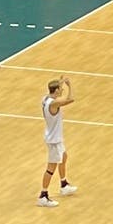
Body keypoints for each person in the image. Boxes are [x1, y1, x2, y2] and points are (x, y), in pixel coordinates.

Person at [38, 75, 77, 207]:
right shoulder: (54, 104)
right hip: (54, 140)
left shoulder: (45, 98)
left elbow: (54, 88)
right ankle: (43, 196)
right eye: (60, 89)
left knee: (64, 157)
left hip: (55, 137)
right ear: (55, 91)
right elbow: (71, 99)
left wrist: (61, 82)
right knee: (51, 168)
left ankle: (64, 184)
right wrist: (69, 85)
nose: (62, 91)